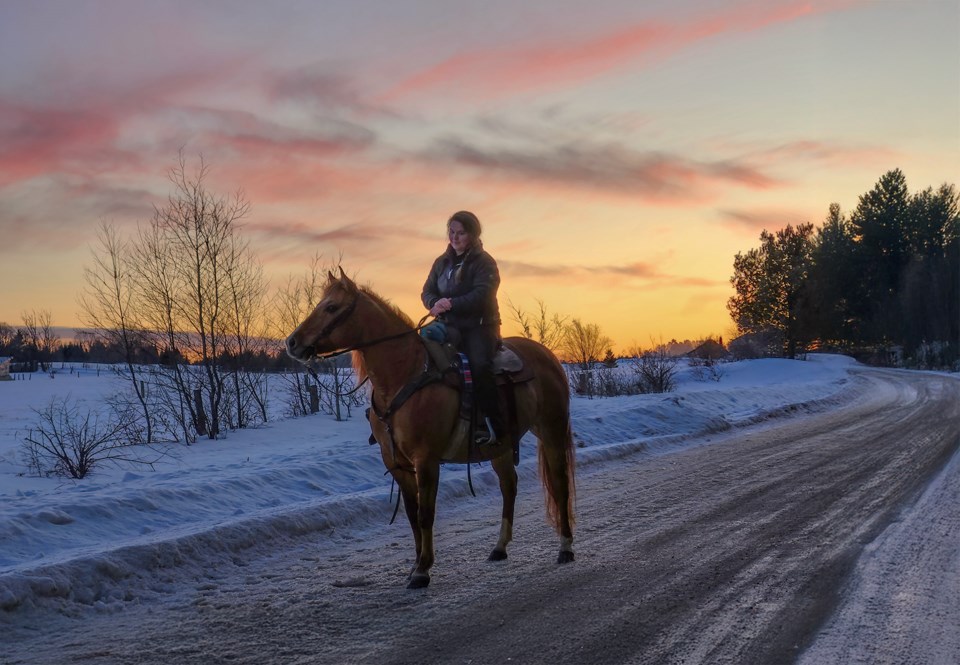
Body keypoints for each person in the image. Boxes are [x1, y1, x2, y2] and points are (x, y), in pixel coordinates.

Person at [422, 210, 505, 446]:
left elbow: (483, 294)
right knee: (422, 354)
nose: (455, 238)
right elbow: (427, 290)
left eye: (461, 233)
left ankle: (492, 424)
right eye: (451, 232)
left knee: (479, 364)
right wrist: (433, 303)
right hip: (448, 325)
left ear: (472, 235)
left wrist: (451, 303)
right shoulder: (441, 262)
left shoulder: (484, 262)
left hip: (479, 326)